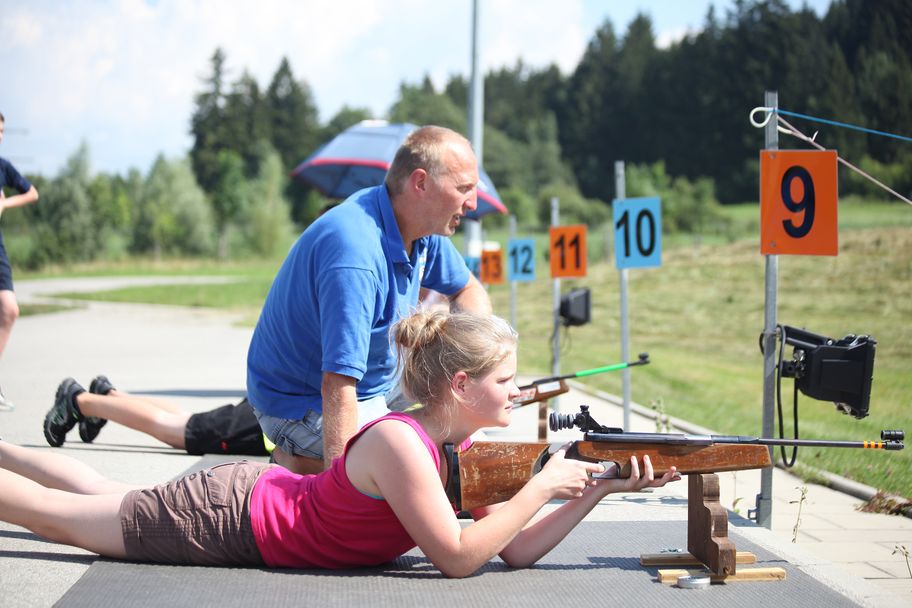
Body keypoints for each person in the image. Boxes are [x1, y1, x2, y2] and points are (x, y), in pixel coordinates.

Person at [0, 310, 679, 576]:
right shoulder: (404, 446)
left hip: (246, 504)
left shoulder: (455, 453)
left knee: (103, 496)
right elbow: (457, 559)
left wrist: (600, 489)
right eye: (505, 379)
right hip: (232, 518)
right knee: (53, 519)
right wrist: (541, 483)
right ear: (463, 385)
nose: (517, 391)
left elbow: (517, 549)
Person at [247, 125, 491, 475]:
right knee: (416, 471)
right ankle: (300, 465)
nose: (472, 203)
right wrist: (344, 495)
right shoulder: (355, 252)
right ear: (420, 183)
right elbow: (338, 385)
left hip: (375, 383)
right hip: (302, 404)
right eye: (464, 188)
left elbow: (469, 290)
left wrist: (472, 353)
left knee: (462, 411)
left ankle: (311, 466)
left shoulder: (421, 228)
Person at [41, 375, 268, 456]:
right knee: (181, 430)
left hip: (282, 409)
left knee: (185, 420)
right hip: (277, 423)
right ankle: (79, 403)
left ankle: (109, 395)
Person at [0, 111, 40, 411]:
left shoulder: (4, 168)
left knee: (9, 309)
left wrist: (5, 202)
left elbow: (31, 193)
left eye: (2, 131)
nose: (0, 136)